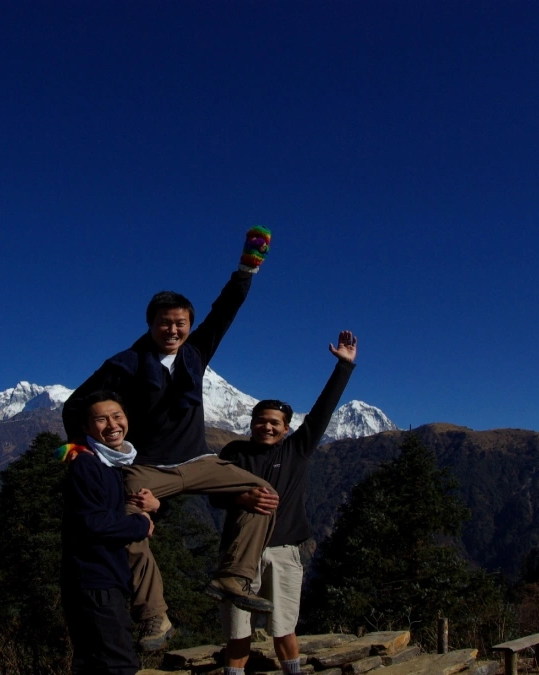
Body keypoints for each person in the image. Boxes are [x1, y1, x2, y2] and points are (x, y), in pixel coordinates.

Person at [62, 227, 278, 651]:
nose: (174, 330)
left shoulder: (195, 355)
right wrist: (77, 448)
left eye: (181, 323)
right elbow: (75, 406)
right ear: (150, 324)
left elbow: (225, 312)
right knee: (125, 525)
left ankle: (232, 577)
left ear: (189, 326)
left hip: (198, 460)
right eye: (165, 323)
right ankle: (155, 618)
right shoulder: (124, 364)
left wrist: (247, 269)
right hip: (147, 468)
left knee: (263, 492)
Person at [213, 331, 358, 675]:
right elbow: (214, 494)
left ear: (286, 428)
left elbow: (323, 409)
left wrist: (344, 366)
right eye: (260, 420)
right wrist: (241, 496)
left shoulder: (297, 450)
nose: (266, 426)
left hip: (283, 551)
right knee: (238, 631)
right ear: (251, 424)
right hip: (238, 554)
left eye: (274, 422)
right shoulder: (235, 452)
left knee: (284, 628)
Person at [59, 391, 162, 675]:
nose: (112, 424)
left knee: (92, 663)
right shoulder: (87, 464)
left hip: (100, 579)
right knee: (119, 664)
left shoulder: (112, 464)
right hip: (95, 580)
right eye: (101, 419)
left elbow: (115, 511)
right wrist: (140, 525)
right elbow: (94, 522)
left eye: (117, 416)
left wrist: (152, 508)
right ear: (86, 427)